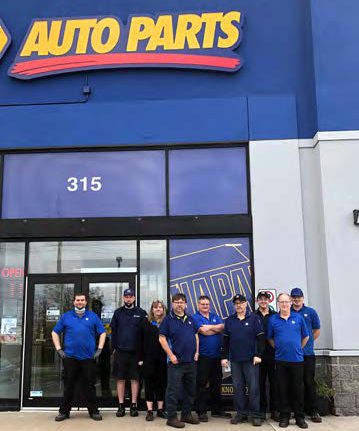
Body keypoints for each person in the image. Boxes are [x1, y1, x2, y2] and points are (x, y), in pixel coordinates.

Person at [51, 293, 106, 422]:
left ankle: (94, 411)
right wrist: (59, 349)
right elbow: (54, 332)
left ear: (86, 302)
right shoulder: (66, 316)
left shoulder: (92, 316)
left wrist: (99, 349)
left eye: (82, 300)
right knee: (69, 386)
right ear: (74, 302)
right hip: (70, 357)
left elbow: (102, 332)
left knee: (90, 386)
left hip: (88, 358)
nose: (80, 302)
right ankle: (64, 412)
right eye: (77, 300)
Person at [221, 294, 265, 427]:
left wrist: (258, 355)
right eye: (236, 303)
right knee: (238, 388)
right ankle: (241, 414)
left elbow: (261, 339)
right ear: (234, 305)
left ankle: (255, 415)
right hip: (235, 360)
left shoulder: (254, 319)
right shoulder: (229, 320)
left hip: (251, 360)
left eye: (241, 303)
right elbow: (225, 340)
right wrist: (224, 357)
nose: (239, 305)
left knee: (253, 388)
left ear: (246, 304)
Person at [267, 293, 309, 429]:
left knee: (298, 389)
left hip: (297, 360)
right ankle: (284, 416)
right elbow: (270, 338)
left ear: (290, 302)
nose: (284, 304)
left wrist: (298, 348)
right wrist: (279, 348)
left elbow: (306, 336)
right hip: (280, 360)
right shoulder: (273, 319)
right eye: (281, 302)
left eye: (286, 301)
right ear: (278, 304)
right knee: (282, 389)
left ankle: (299, 417)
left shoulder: (298, 318)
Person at [159, 293, 199, 428]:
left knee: (190, 391)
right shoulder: (168, 320)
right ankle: (171, 418)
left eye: (182, 302)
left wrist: (197, 352)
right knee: (173, 391)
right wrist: (171, 355)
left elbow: (196, 335)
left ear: (186, 304)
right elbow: (162, 338)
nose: (179, 304)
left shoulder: (191, 319)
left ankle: (186, 415)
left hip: (191, 362)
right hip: (176, 363)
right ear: (172, 304)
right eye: (176, 302)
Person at [192, 295, 231, 422]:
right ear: (198, 305)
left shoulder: (215, 316)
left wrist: (209, 327)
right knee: (202, 385)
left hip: (217, 357)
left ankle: (216, 410)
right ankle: (201, 411)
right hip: (203, 357)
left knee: (216, 384)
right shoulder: (195, 317)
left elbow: (222, 327)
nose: (205, 306)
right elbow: (203, 331)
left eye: (207, 304)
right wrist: (214, 328)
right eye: (202, 304)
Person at [110, 288, 146, 417]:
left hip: (136, 353)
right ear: (123, 298)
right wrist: (113, 349)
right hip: (120, 352)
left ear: (134, 298)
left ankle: (133, 405)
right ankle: (120, 405)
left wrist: (142, 354)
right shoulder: (118, 313)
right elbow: (113, 332)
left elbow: (144, 335)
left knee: (135, 379)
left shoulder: (141, 313)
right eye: (126, 296)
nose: (128, 298)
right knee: (120, 379)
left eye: (131, 296)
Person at [290, 287, 322, 423]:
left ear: (303, 298)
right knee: (294, 383)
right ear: (291, 299)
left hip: (307, 353)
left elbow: (316, 330)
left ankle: (313, 410)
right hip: (291, 356)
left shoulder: (311, 312)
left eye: (299, 297)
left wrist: (305, 344)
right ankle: (295, 410)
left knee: (309, 382)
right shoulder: (287, 312)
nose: (296, 300)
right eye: (294, 297)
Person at [138, 300, 168, 421]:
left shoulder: (167, 322)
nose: (158, 309)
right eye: (155, 307)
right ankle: (150, 411)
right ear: (152, 309)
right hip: (148, 358)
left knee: (162, 384)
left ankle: (160, 410)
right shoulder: (145, 322)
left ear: (163, 309)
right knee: (149, 384)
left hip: (164, 358)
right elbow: (139, 341)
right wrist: (140, 358)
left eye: (160, 307)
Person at [255, 291, 279, 421]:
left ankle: (275, 411)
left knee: (274, 384)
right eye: (261, 299)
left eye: (266, 299)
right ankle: (262, 411)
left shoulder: (275, 316)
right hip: (258, 355)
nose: (263, 301)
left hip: (273, 354)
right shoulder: (253, 316)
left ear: (269, 301)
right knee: (260, 384)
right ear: (257, 301)